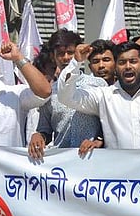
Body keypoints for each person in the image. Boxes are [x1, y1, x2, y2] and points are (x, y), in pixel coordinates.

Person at [57, 41, 140, 154]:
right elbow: (66, 97)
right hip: (116, 173)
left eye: (133, 61)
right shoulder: (103, 96)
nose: (128, 66)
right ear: (115, 68)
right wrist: (76, 62)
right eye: (122, 62)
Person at [28, 29, 106, 161]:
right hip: (62, 164)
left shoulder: (98, 84)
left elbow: (108, 122)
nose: (65, 58)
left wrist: (98, 140)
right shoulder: (49, 92)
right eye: (60, 54)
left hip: (93, 159)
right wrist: (38, 136)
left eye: (70, 52)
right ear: (53, 57)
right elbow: (45, 130)